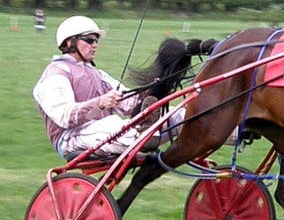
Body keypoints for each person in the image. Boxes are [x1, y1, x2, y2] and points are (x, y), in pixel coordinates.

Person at [33, 15, 176, 159]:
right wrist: (100, 103)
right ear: (70, 42)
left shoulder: (97, 74)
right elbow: (64, 117)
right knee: (111, 124)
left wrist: (157, 92)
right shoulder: (55, 74)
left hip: (101, 132)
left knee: (177, 114)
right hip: (70, 138)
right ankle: (143, 137)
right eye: (89, 40)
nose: (95, 45)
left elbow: (128, 102)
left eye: (96, 40)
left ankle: (156, 135)